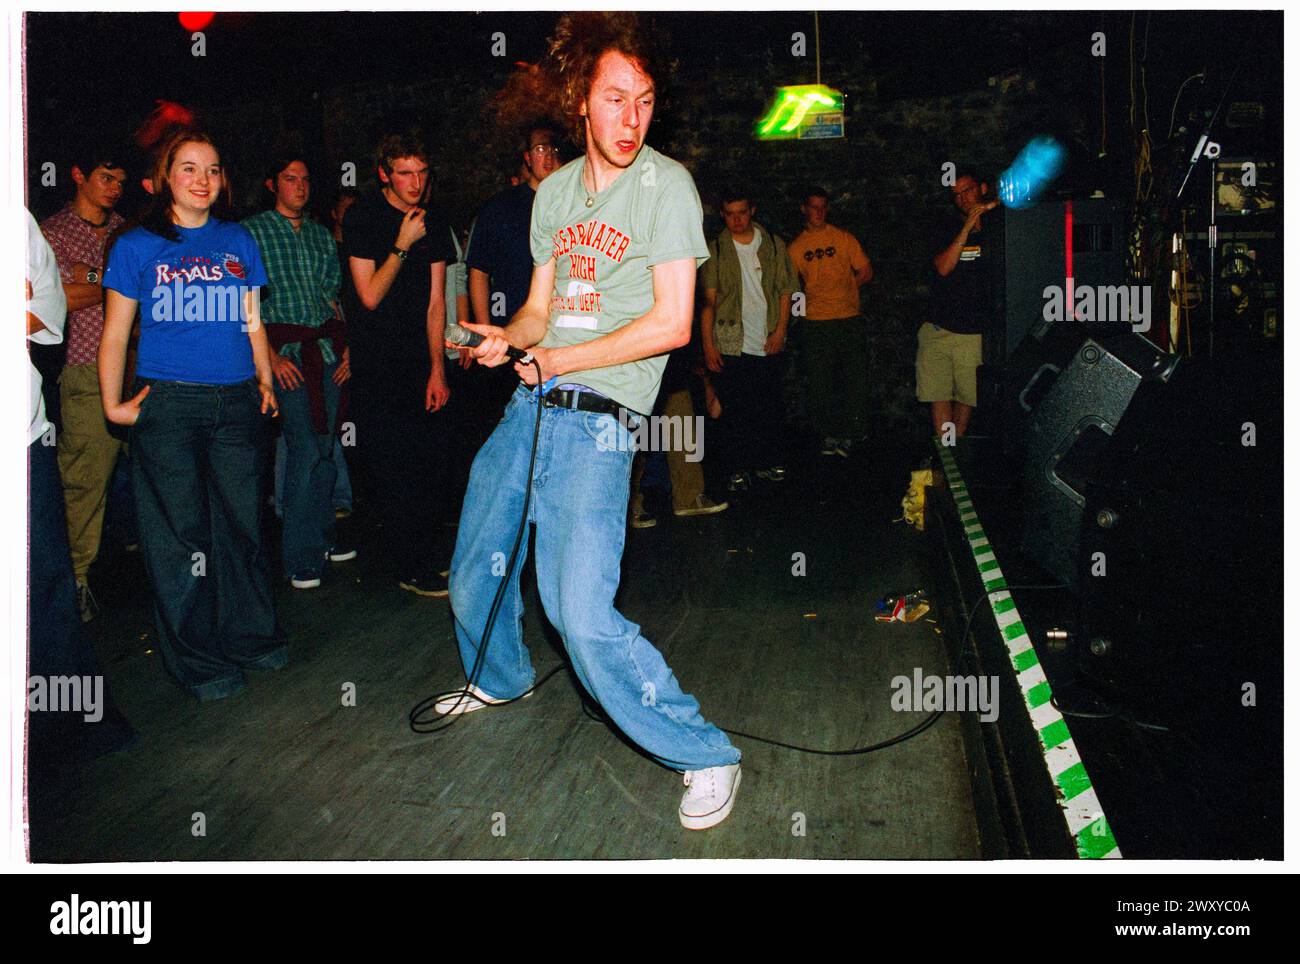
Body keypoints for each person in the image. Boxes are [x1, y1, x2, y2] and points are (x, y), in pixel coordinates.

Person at [440, 12, 743, 831]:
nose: (631, 119)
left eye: (644, 101)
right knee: (475, 559)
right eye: (615, 99)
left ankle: (704, 750)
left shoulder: (668, 186)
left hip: (602, 421)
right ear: (582, 101)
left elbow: (674, 324)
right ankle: (498, 675)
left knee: (578, 612)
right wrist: (510, 340)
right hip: (531, 402)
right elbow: (541, 312)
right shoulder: (555, 194)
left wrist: (561, 361)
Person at [100, 129, 286, 702]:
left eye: (212, 169)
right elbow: (115, 334)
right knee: (180, 539)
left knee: (243, 526)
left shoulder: (238, 241)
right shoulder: (136, 245)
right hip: (170, 404)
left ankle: (250, 637)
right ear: (165, 178)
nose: (202, 180)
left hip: (235, 401)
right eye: (188, 168)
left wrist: (265, 377)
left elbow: (252, 320)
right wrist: (112, 404)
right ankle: (199, 662)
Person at [342, 129, 455, 597]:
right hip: (376, 364)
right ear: (385, 173)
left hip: (417, 359)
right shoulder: (364, 217)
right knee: (392, 465)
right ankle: (407, 564)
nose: (415, 181)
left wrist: (437, 369)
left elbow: (435, 302)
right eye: (404, 172)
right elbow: (368, 296)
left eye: (421, 172)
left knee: (429, 461)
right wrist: (403, 243)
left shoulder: (433, 218)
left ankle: (425, 554)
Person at [244, 156, 354, 589]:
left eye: (306, 179)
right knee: (303, 448)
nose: (300, 186)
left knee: (326, 448)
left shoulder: (321, 235)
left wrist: (349, 350)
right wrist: (268, 356)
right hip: (285, 352)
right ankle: (299, 556)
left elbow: (334, 299)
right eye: (290, 178)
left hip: (324, 350)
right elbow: (244, 303)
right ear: (273, 183)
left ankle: (323, 534)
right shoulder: (252, 232)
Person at [40, 143, 129, 622]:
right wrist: (117, 281)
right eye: (105, 178)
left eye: (120, 181)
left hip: (137, 366)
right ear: (77, 174)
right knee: (83, 481)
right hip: (83, 370)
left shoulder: (126, 230)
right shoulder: (52, 231)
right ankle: (72, 583)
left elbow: (152, 285)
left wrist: (92, 275)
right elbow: (59, 300)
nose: (115, 189)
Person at [463, 123, 565, 440]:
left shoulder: (571, 205)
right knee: (508, 425)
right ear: (526, 157)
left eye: (553, 149)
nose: (548, 157)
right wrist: (485, 333)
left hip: (560, 335)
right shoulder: (501, 208)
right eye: (540, 149)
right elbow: (477, 271)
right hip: (512, 331)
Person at [700, 187, 800, 489]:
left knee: (768, 404)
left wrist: (781, 330)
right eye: (730, 214)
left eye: (742, 213)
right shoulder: (716, 249)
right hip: (731, 338)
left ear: (752, 211)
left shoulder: (772, 244)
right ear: (723, 215)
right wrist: (708, 344)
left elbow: (787, 291)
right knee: (735, 406)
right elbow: (709, 302)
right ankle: (737, 467)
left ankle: (768, 461)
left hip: (766, 335)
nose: (737, 220)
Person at [787, 187, 874, 457]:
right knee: (820, 382)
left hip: (848, 319)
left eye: (823, 206)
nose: (819, 212)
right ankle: (827, 434)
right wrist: (804, 311)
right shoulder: (796, 248)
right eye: (813, 207)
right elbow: (792, 288)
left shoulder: (843, 238)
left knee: (854, 379)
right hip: (817, 321)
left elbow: (866, 271)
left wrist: (847, 290)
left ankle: (852, 433)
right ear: (804, 209)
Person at [919, 171, 1000, 439]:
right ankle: (946, 451)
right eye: (956, 194)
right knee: (938, 392)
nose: (963, 198)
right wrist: (966, 229)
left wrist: (990, 209)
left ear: (983, 188)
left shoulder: (998, 227)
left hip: (973, 331)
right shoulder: (945, 225)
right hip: (939, 326)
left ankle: (957, 449)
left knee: (967, 396)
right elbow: (943, 267)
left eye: (968, 190)